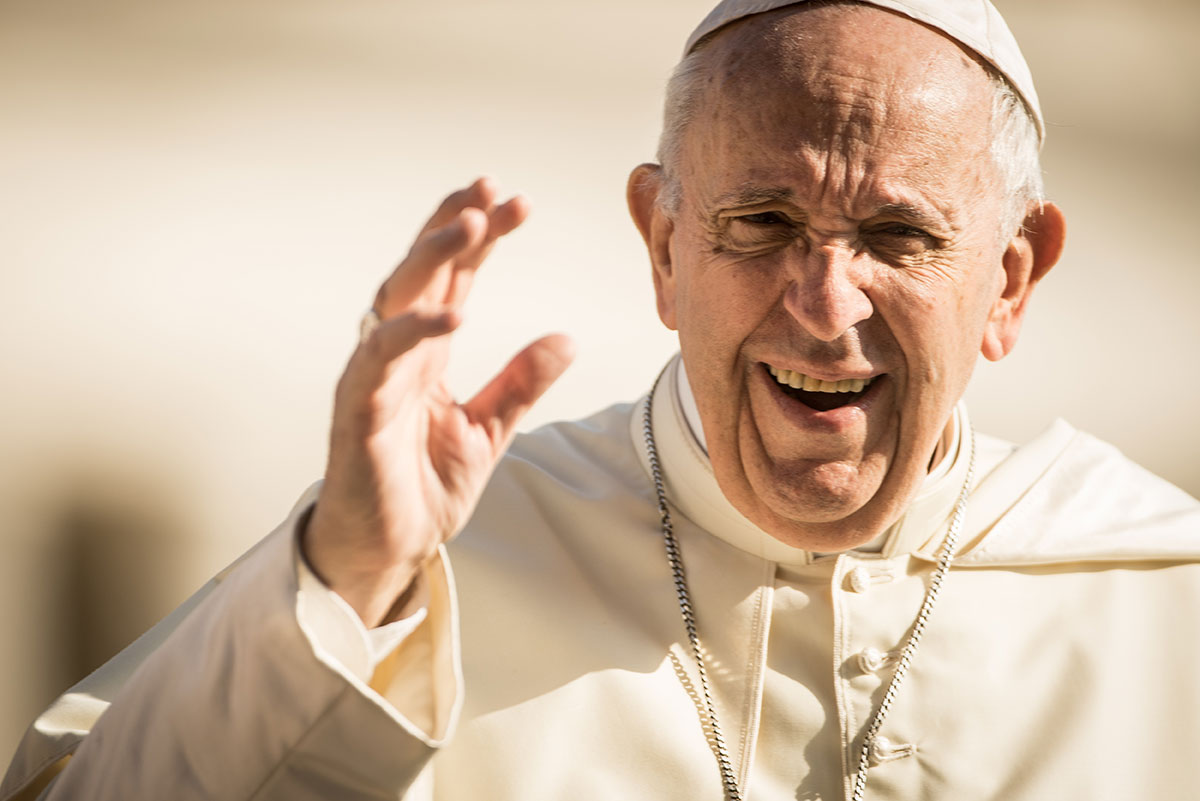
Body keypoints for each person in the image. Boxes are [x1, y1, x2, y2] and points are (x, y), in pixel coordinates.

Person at [4, 0, 1199, 798]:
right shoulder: (429, 569)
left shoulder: (1162, 592)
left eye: (898, 235)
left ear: (1012, 278)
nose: (826, 305)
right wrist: (338, 577)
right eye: (763, 223)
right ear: (662, 243)